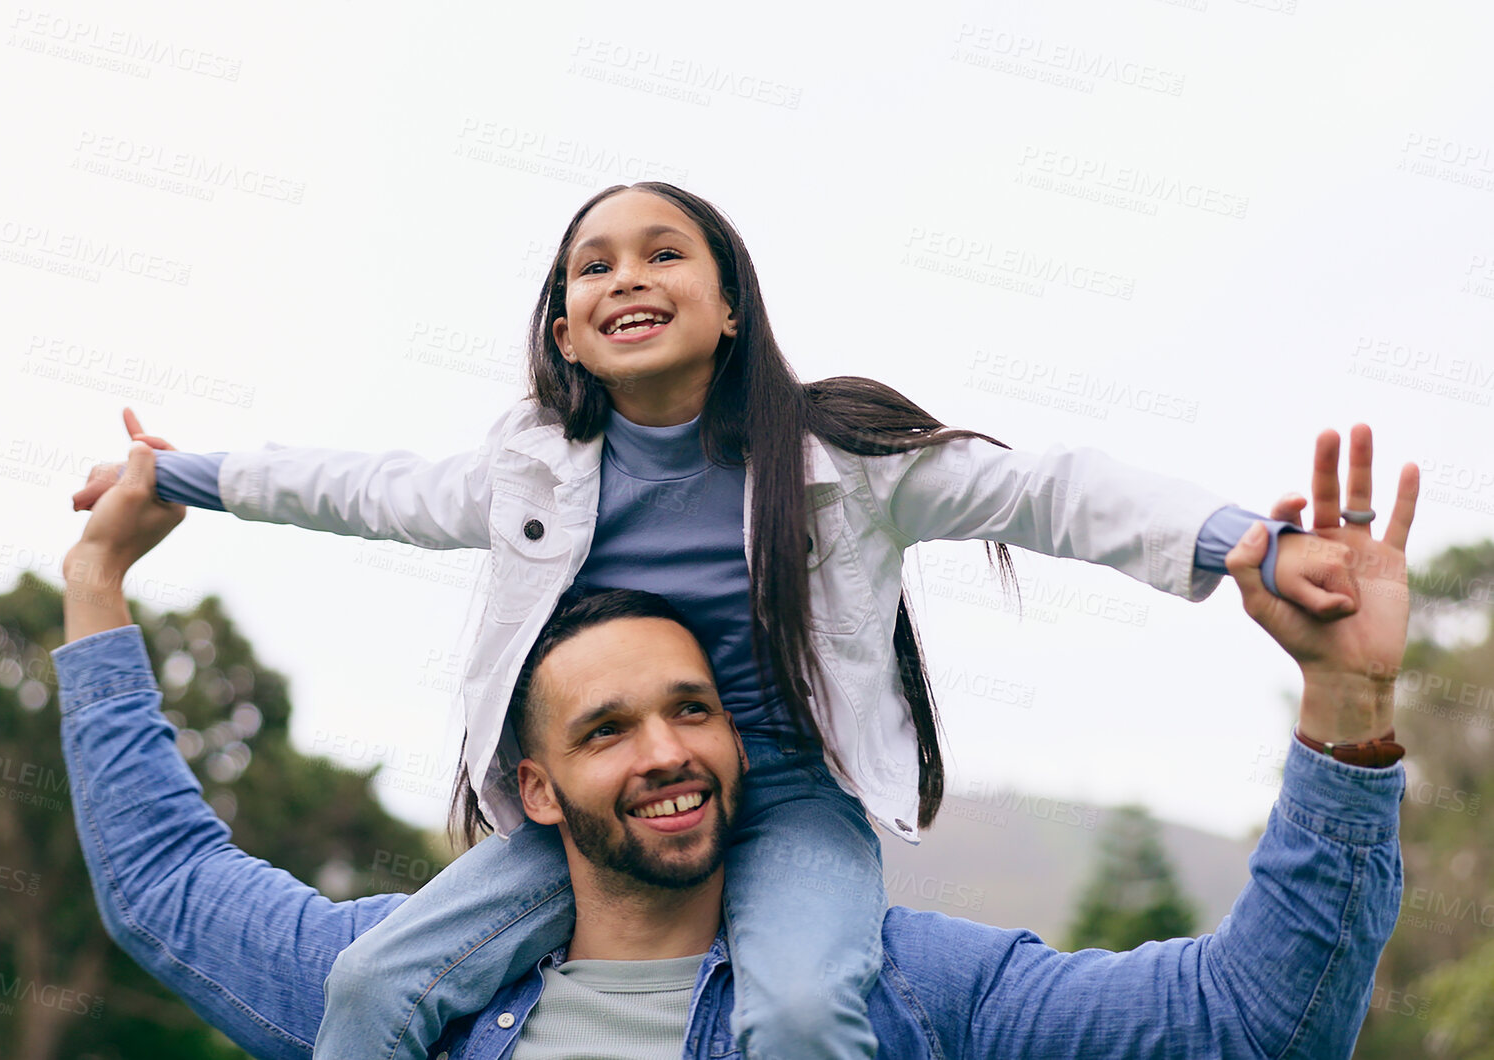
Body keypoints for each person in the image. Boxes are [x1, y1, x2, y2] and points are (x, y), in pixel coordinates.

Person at [70, 183, 1361, 1060]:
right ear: (565, 333)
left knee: (802, 1010)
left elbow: (1046, 491)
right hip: (586, 820)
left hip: (790, 795)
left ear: (730, 304)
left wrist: (1229, 537)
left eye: (663, 253)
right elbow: (360, 490)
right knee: (367, 986)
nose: (628, 275)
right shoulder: (527, 468)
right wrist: (178, 477)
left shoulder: (841, 462)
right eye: (593, 266)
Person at [53, 425, 1417, 1058]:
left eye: (693, 707)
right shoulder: (413, 992)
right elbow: (161, 885)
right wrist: (98, 588)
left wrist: (1345, 713)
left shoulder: (911, 996)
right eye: (606, 728)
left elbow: (1251, 1025)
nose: (662, 748)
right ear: (533, 784)